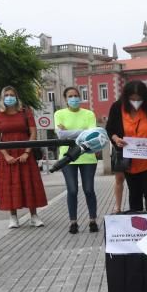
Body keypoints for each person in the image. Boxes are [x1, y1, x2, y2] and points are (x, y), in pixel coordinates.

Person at [106, 81, 147, 211]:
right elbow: (110, 129)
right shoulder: (117, 107)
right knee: (134, 194)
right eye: (132, 99)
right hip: (129, 162)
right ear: (126, 97)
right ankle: (137, 225)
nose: (136, 101)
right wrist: (116, 139)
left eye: (139, 99)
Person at [0, 86, 47, 227]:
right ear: (2, 98)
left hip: (25, 153)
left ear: (17, 97)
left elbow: (33, 133)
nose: (9, 97)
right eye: (7, 95)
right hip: (7, 155)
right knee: (10, 185)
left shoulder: (26, 113)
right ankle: (13, 217)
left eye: (12, 94)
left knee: (29, 183)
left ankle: (34, 215)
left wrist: (27, 152)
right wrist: (5, 156)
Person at [54, 87, 99, 233]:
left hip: (87, 156)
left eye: (76, 96)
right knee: (72, 190)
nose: (74, 99)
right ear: (65, 99)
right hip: (67, 158)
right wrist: (82, 131)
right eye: (70, 96)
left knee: (89, 189)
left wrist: (70, 132)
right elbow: (60, 135)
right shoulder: (59, 113)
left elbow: (92, 135)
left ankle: (93, 220)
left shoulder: (89, 114)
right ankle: (73, 222)